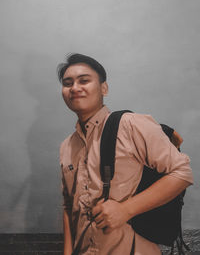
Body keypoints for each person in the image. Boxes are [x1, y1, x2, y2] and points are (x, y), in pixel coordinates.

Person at [58, 53, 193, 255]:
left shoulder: (130, 124)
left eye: (84, 80)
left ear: (104, 88)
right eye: (68, 83)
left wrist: (125, 210)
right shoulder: (67, 146)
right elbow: (69, 207)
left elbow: (182, 173)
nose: (75, 88)